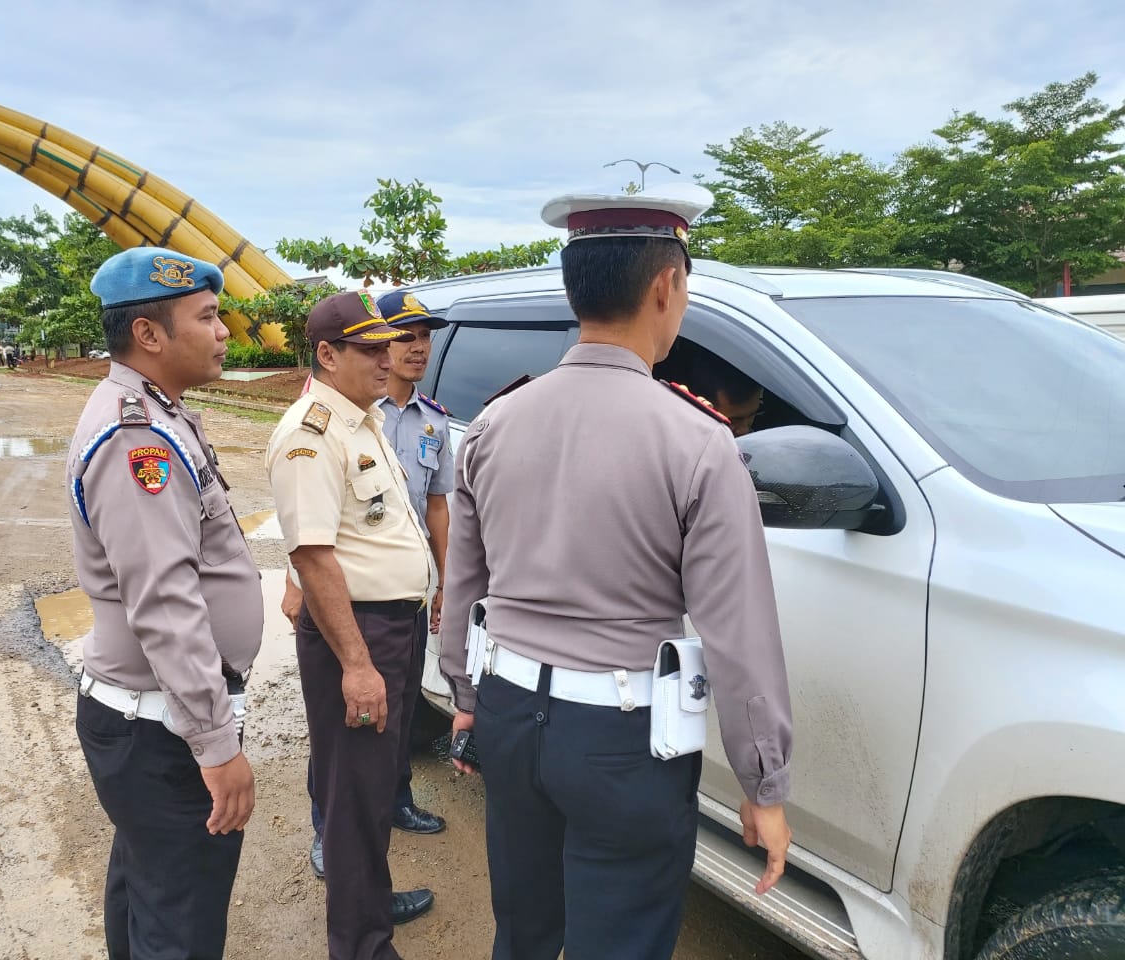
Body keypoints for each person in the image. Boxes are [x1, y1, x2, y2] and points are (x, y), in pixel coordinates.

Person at [439, 185, 795, 960]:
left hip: (507, 713)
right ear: (666, 286)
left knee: (526, 932)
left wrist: (464, 696)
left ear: (576, 289)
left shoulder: (496, 422)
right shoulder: (697, 440)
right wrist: (764, 785)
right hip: (622, 738)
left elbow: (464, 586)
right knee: (621, 941)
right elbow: (739, 635)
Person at [66, 247, 263, 960]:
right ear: (149, 335)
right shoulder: (135, 436)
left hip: (150, 723)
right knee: (179, 918)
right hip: (161, 733)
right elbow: (165, 604)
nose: (223, 333)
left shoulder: (157, 412)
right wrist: (216, 744)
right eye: (207, 317)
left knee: (150, 893)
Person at [266, 291, 436, 960]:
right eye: (369, 348)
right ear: (328, 354)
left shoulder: (359, 421)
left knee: (373, 785)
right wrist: (359, 665)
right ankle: (362, 945)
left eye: (387, 344)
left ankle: (369, 901)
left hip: (390, 626)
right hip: (356, 635)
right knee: (354, 791)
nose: (387, 356)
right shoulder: (310, 434)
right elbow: (311, 556)